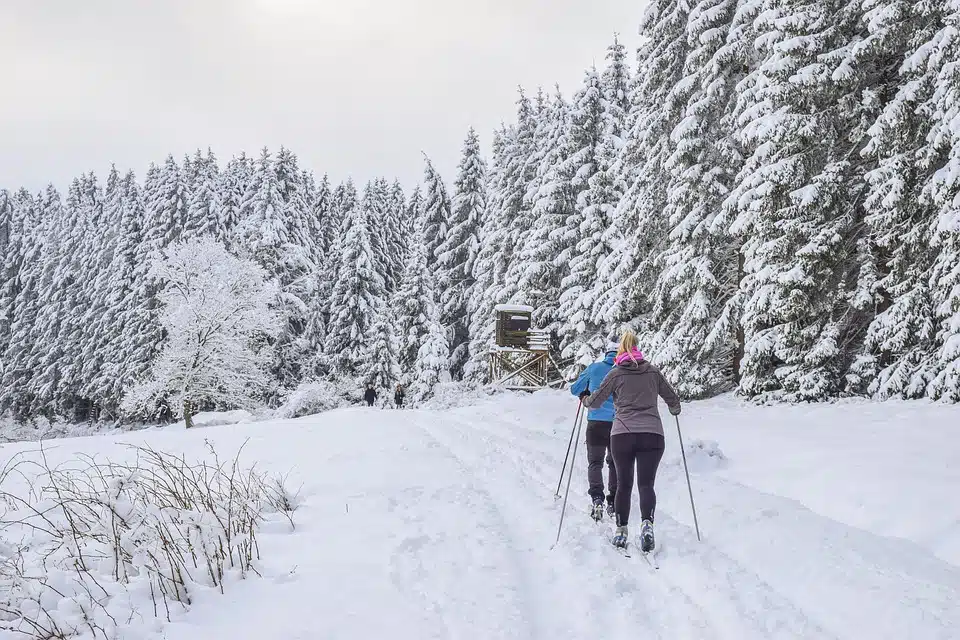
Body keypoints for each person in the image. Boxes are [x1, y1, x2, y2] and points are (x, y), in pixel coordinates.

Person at [580, 329, 681, 553]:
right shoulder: (653, 372)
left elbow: (596, 401)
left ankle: (621, 530)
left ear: (621, 351)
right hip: (653, 435)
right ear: (637, 348)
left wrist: (585, 400)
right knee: (646, 485)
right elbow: (673, 399)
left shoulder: (616, 374)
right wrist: (674, 409)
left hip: (623, 434)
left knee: (624, 484)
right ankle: (647, 524)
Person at [569, 341, 619, 521]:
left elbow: (575, 389)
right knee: (615, 463)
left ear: (606, 354)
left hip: (596, 422)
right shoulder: (624, 371)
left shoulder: (594, 368)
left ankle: (597, 498)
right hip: (619, 424)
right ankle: (614, 501)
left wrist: (586, 393)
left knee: (595, 463)